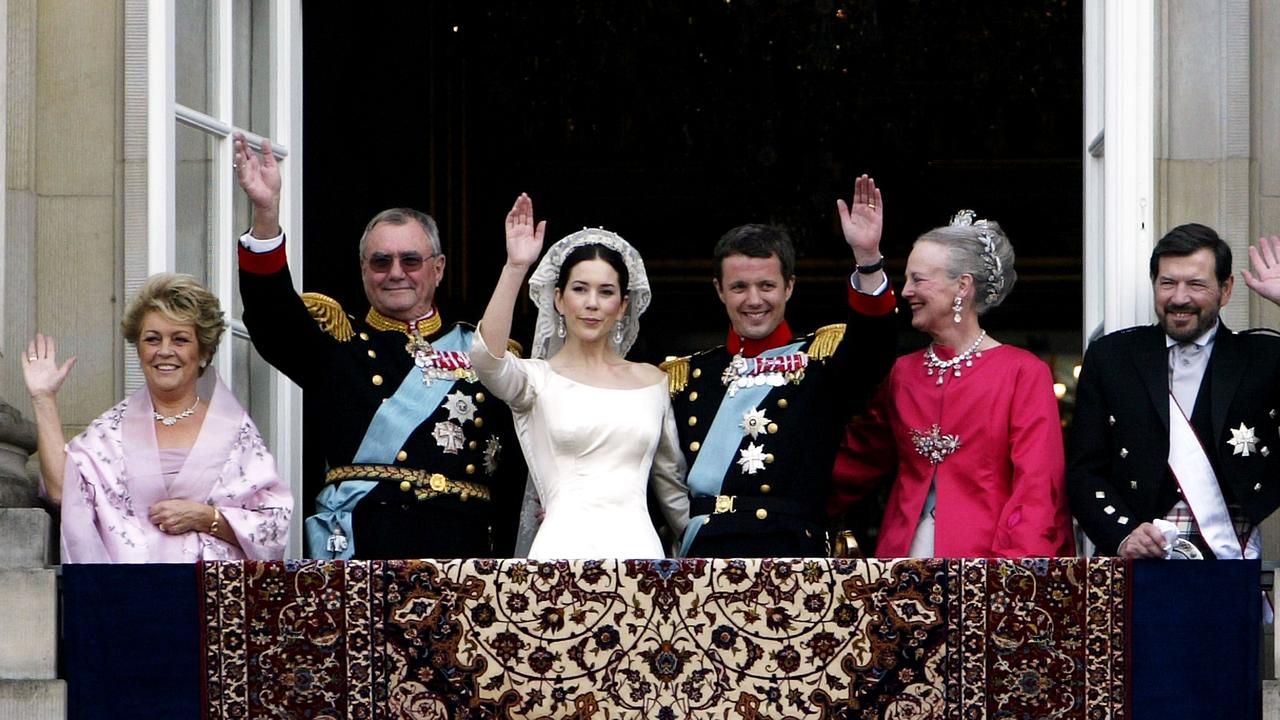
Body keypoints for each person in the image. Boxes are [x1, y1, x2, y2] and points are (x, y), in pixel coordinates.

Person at [233, 134, 524, 559]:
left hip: (464, 550)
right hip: (366, 543)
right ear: (364, 270)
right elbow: (271, 316)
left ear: (438, 269)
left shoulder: (485, 352)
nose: (396, 273)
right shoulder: (337, 345)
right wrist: (265, 213)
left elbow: (515, 473)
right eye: (380, 261)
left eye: (411, 260)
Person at [662, 175, 897, 558]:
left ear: (789, 286)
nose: (754, 300)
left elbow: (875, 346)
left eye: (767, 286)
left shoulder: (822, 361)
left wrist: (868, 259)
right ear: (719, 290)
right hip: (703, 555)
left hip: (789, 553)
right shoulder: (689, 376)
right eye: (739, 287)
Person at [830, 211, 1074, 558]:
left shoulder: (1022, 372)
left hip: (990, 565)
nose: (907, 291)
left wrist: (1015, 578)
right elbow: (855, 463)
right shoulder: (902, 373)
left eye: (918, 280)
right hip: (901, 562)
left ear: (962, 286)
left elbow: (1037, 486)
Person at [470, 194, 688, 559]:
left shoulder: (653, 382)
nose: (592, 303)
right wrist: (515, 267)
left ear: (622, 307)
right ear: (558, 299)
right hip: (560, 554)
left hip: (641, 557)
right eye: (579, 289)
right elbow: (487, 360)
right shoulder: (535, 381)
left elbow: (673, 491)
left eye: (606, 292)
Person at [22, 274, 292, 563]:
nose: (165, 351)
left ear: (203, 351)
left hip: (212, 600)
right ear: (139, 348)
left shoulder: (234, 431)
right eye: (152, 339)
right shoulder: (112, 430)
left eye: (180, 339)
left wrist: (207, 518)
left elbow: (273, 528)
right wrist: (44, 399)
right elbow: (63, 491)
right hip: (130, 597)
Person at [1068, 225, 1280, 560]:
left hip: (1227, 561)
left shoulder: (1264, 358)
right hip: (1133, 562)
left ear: (1226, 290)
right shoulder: (1111, 357)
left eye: (1196, 284)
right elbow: (1082, 469)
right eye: (1167, 283)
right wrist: (1122, 535)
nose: (1179, 298)